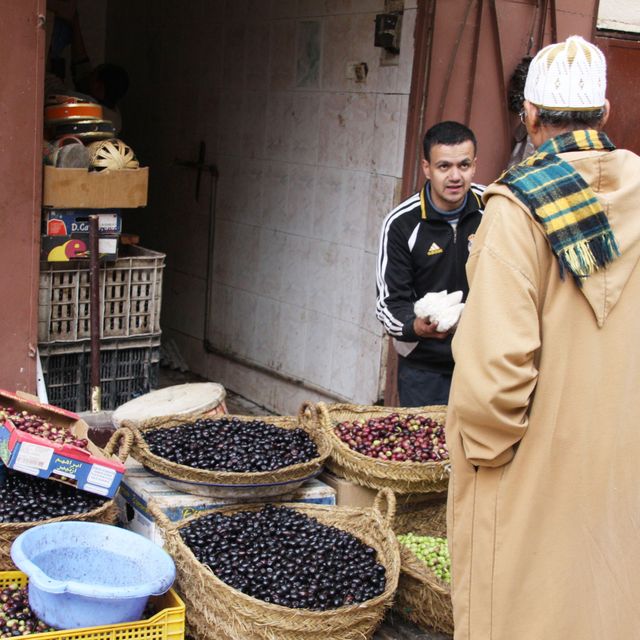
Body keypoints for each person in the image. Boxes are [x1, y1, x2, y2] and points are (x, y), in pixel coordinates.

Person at [446, 35, 640, 639]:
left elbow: (494, 378)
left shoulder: (518, 207)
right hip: (622, 461)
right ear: (605, 114)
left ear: (528, 115)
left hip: (527, 472)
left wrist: (482, 454)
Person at [376, 121, 484, 407]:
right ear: (427, 168)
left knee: (478, 450)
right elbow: (389, 304)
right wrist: (415, 326)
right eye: (444, 166)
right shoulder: (401, 223)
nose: (455, 176)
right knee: (425, 449)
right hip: (424, 367)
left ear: (475, 165)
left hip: (483, 362)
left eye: (464, 165)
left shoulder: (495, 208)